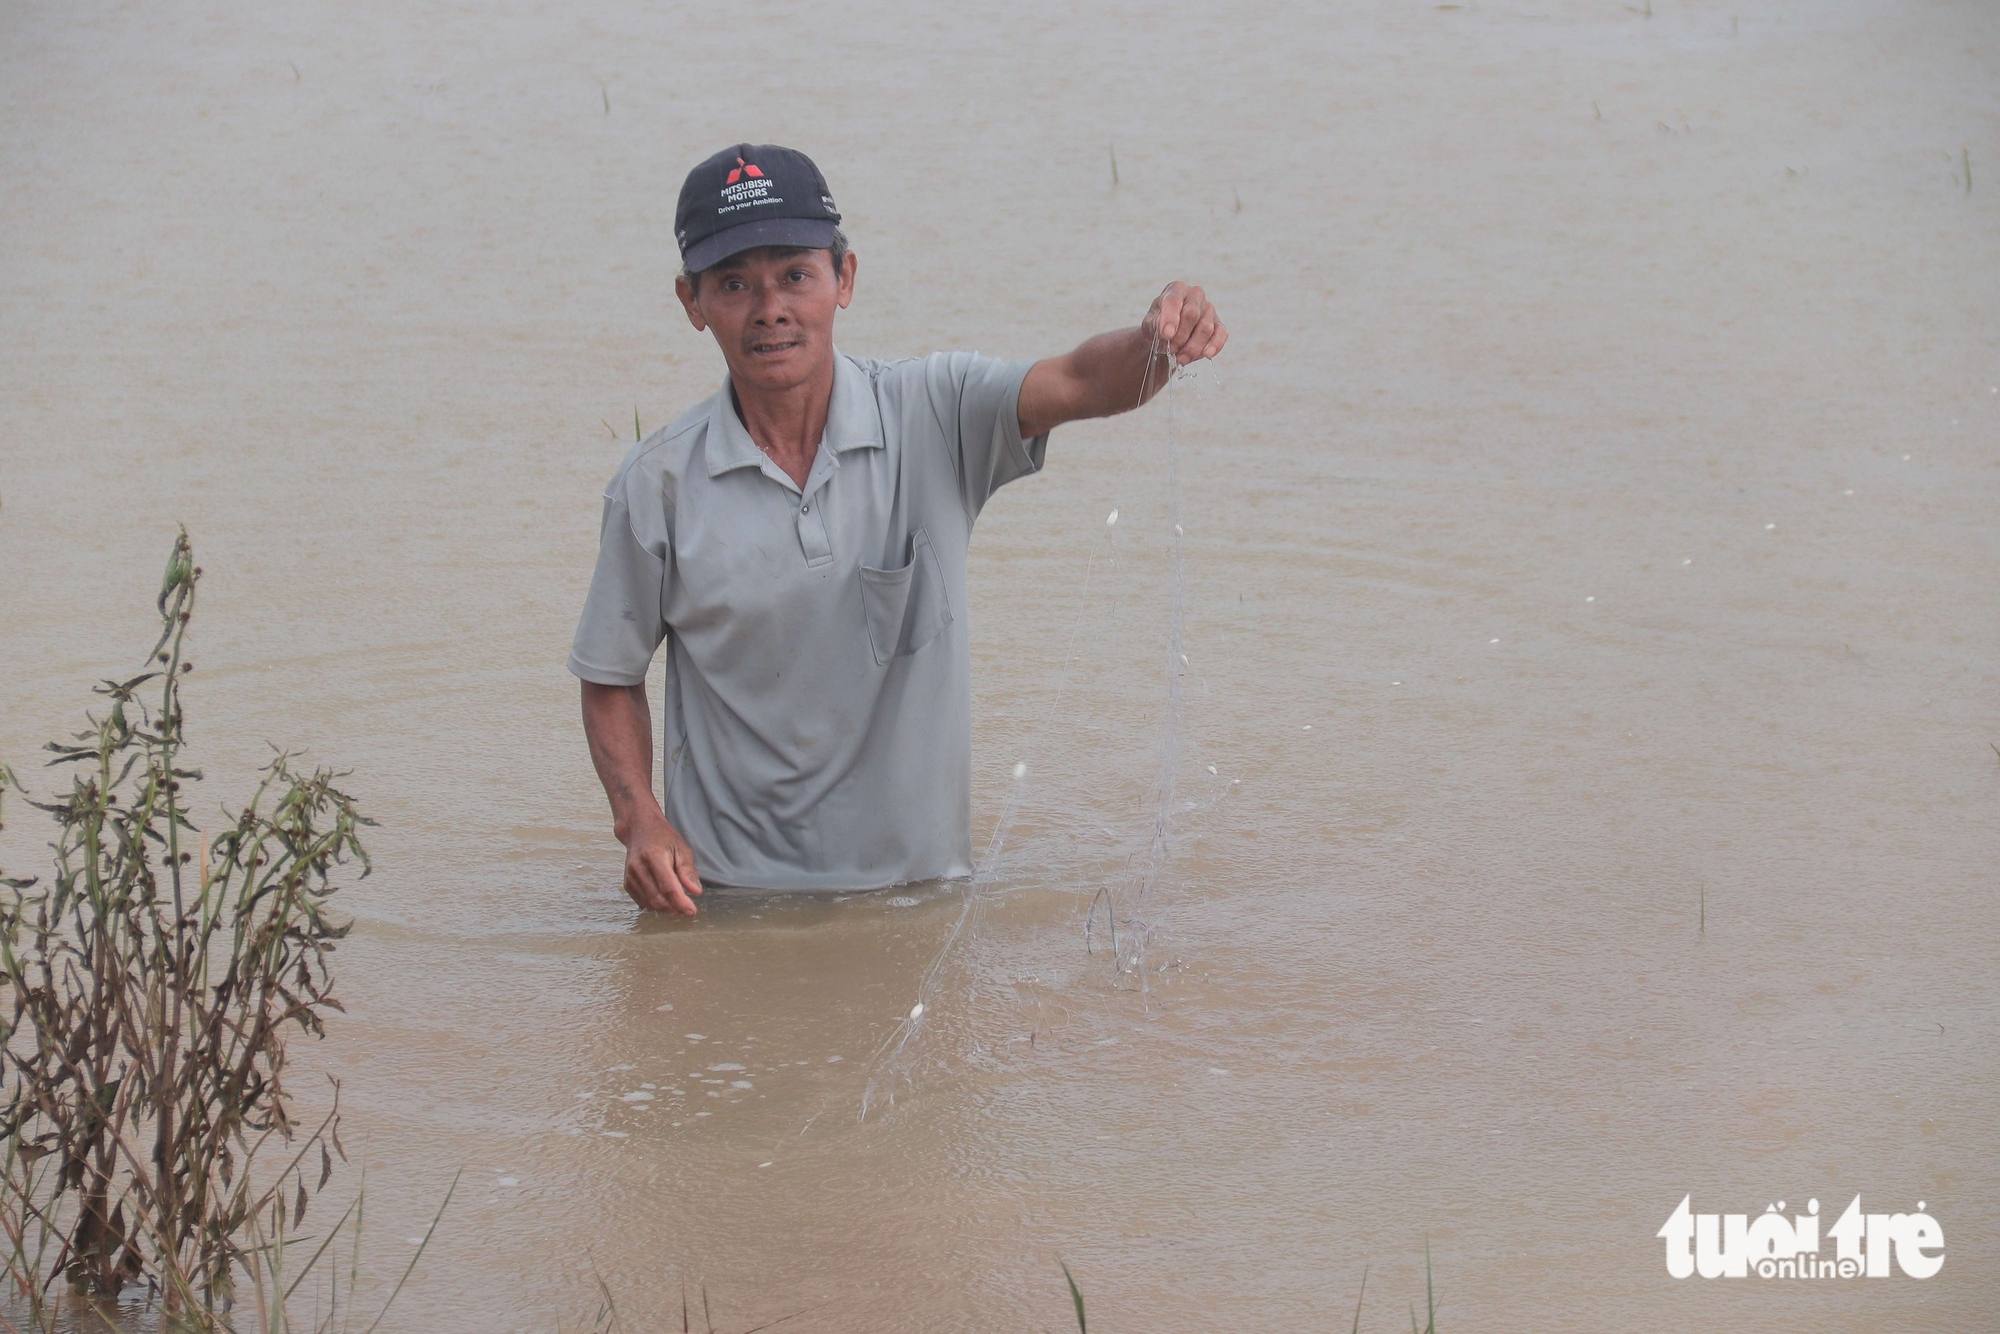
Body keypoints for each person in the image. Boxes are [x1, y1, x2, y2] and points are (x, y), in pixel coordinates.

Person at [569, 143, 1228, 915]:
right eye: (734, 284)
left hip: (922, 899)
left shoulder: (936, 411)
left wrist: (1157, 341)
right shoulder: (657, 482)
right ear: (692, 302)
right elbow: (610, 674)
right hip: (725, 904)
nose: (769, 308)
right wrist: (639, 819)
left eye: (795, 276)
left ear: (843, 279)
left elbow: (1086, 380)